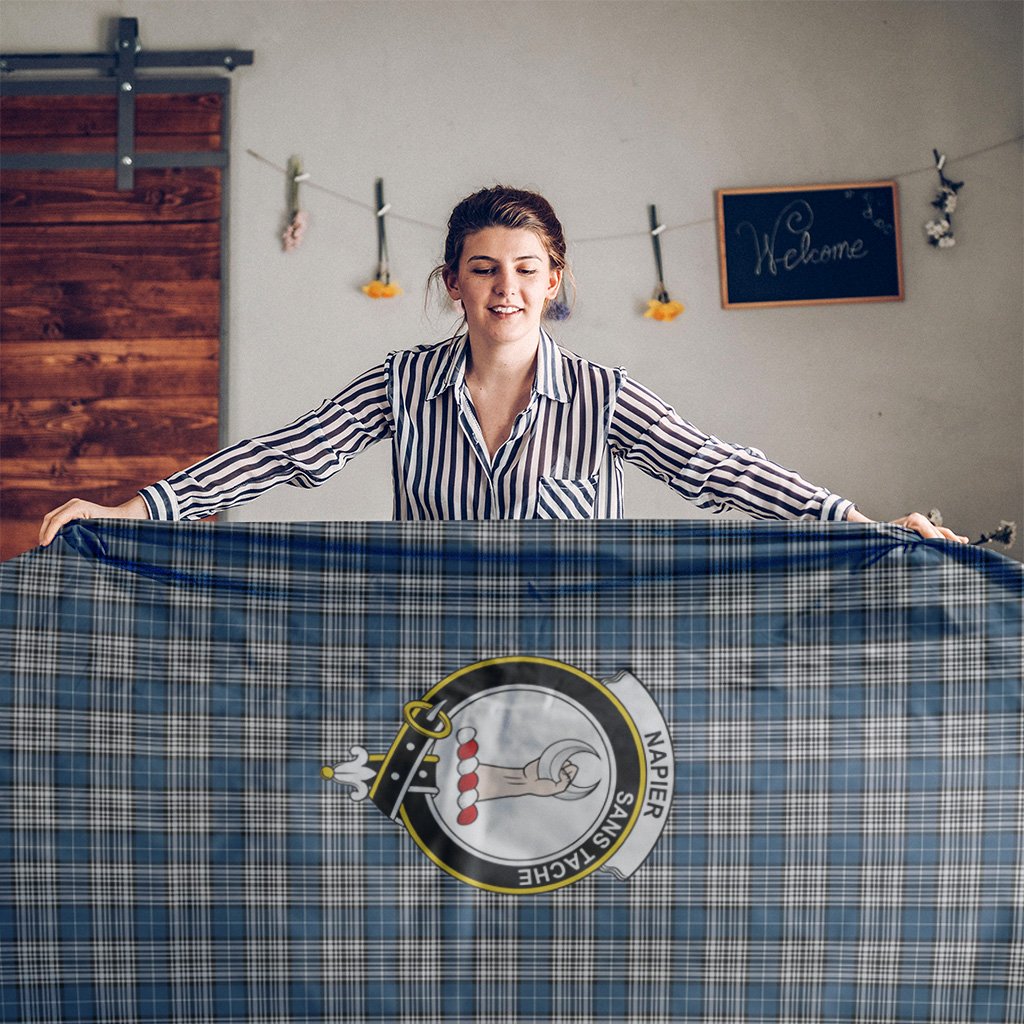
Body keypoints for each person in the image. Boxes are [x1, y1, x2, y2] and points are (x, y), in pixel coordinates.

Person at [38, 186, 967, 546]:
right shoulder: (402, 382)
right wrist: (132, 511)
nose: (506, 289)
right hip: (431, 662)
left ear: (555, 281)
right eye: (484, 270)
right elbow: (284, 455)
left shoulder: (603, 397)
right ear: (453, 283)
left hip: (580, 666)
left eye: (527, 271)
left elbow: (719, 469)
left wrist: (859, 522)